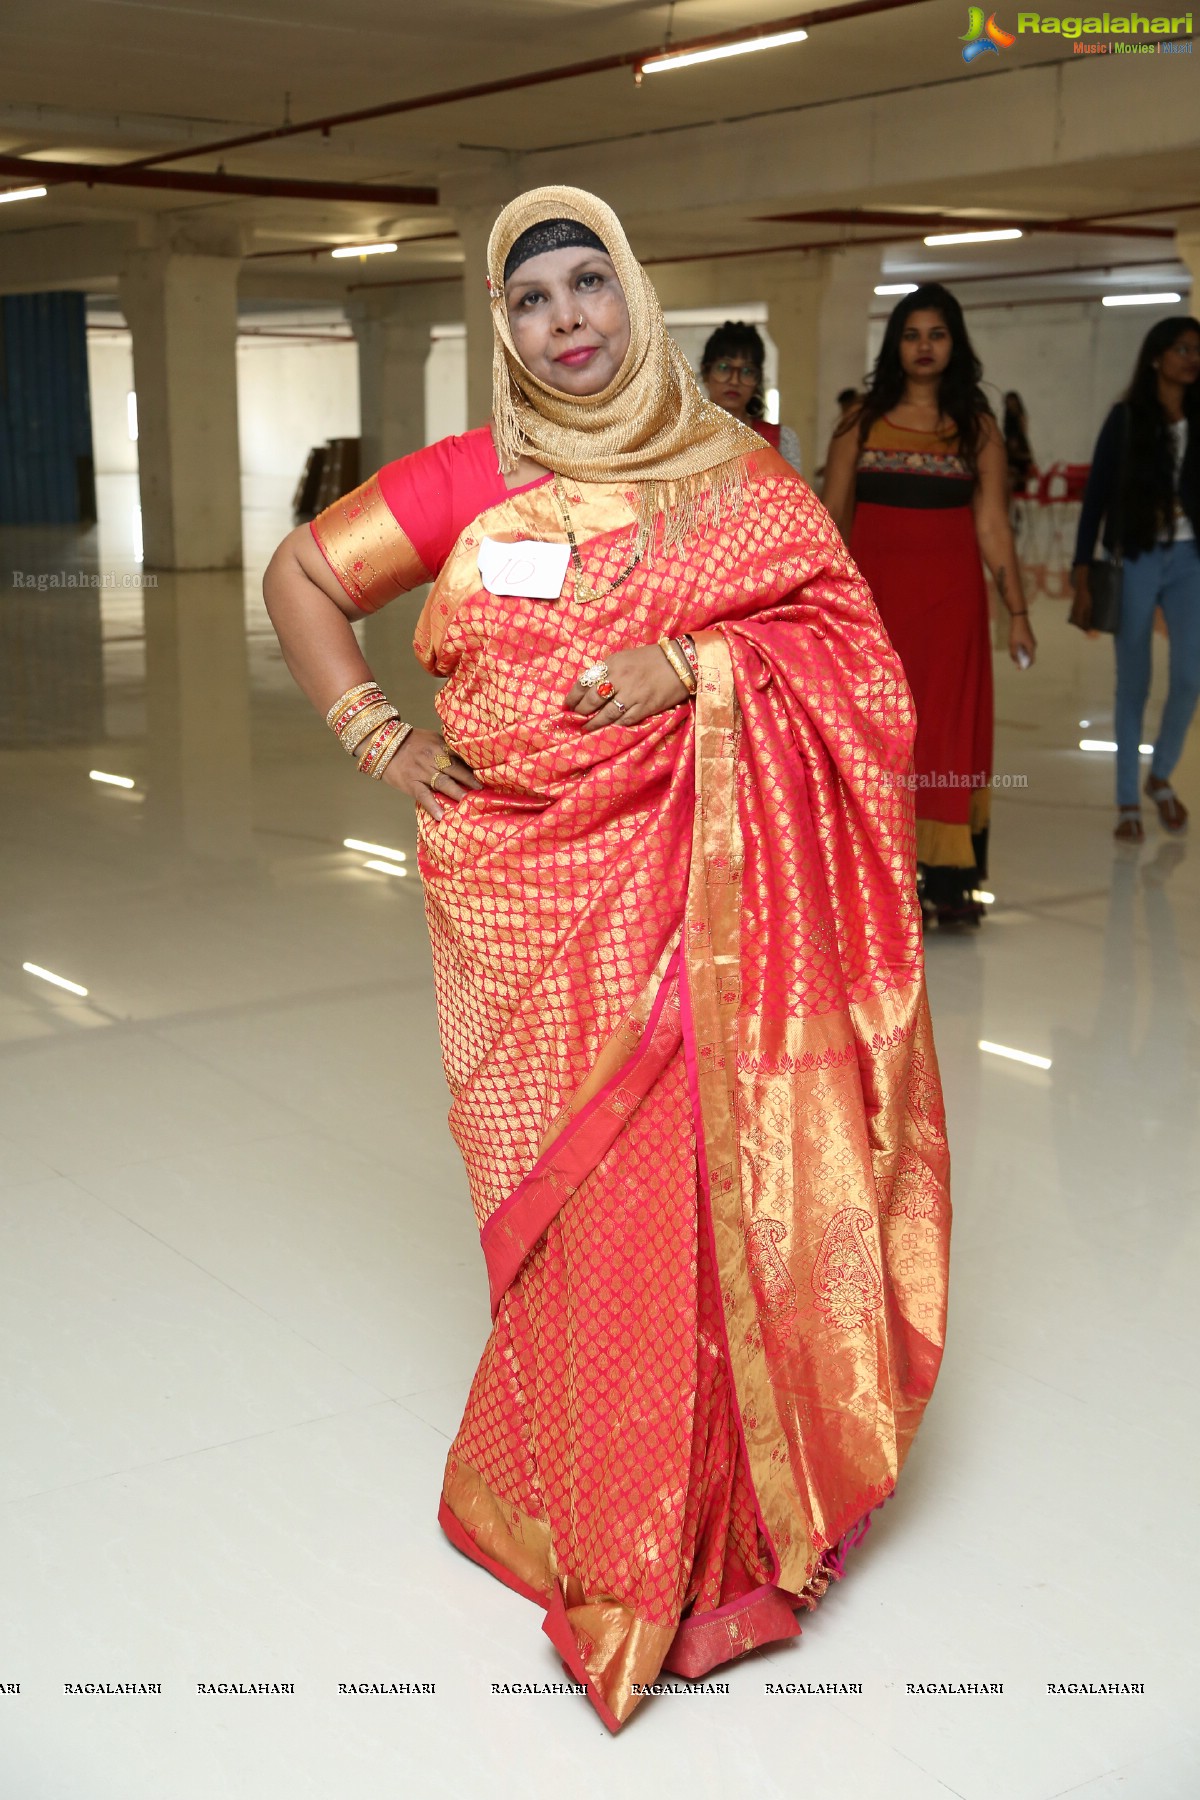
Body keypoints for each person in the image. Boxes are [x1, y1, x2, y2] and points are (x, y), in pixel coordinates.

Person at [263, 187, 950, 1733]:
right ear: (501, 329)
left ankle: (700, 1529)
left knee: (691, 1192)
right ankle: (593, 1499)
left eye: (590, 284)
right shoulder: (473, 476)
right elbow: (301, 579)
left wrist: (697, 660)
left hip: (703, 911)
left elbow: (852, 656)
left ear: (634, 296)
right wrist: (377, 737)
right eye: (532, 299)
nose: (568, 319)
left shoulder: (737, 476)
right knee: (581, 1211)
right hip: (526, 903)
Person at [823, 282, 1037, 928]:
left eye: (937, 335)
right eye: (912, 335)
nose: (924, 347)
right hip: (873, 609)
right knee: (875, 733)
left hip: (953, 610)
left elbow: (994, 525)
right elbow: (833, 518)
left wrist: (1019, 610)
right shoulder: (860, 423)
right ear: (895, 345)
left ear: (955, 345)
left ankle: (944, 879)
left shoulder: (977, 429)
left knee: (943, 733)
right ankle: (870, 876)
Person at [1071, 315, 1200, 842]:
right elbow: (1096, 494)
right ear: (1156, 358)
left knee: (1191, 675)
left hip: (1191, 557)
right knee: (1135, 682)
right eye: (1181, 349)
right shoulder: (1125, 419)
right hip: (1137, 557)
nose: (1192, 357)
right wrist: (1082, 567)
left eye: (1197, 349)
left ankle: (1161, 775)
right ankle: (1128, 796)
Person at [699, 320, 803, 472]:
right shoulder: (678, 440)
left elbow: (793, 494)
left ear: (757, 380)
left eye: (747, 371)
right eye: (723, 368)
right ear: (706, 374)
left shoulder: (781, 441)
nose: (734, 381)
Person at [1002, 390, 1035, 499]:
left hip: (1018, 448)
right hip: (1012, 450)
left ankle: (1016, 506)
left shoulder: (1019, 415)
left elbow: (1023, 430)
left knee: (1017, 478)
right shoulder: (1008, 416)